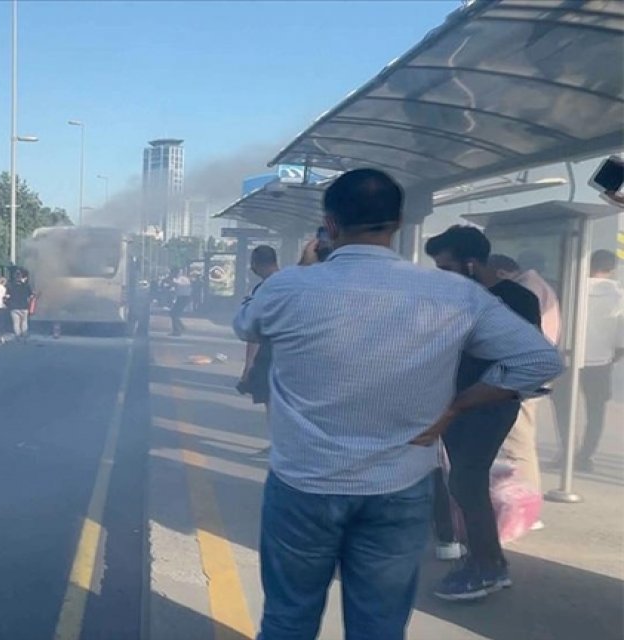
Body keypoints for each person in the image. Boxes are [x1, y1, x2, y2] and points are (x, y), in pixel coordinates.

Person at [234, 170, 560, 638]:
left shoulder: (289, 288)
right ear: (400, 222)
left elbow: (246, 325)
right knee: (380, 625)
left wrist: (306, 267)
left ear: (329, 223)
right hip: (399, 486)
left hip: (303, 484)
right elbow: (538, 359)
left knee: (289, 617)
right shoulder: (456, 294)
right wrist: (461, 403)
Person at [424, 225, 542, 600]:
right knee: (463, 482)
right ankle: (490, 562)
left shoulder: (515, 299)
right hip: (456, 404)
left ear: (471, 265)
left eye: (447, 268)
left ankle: (486, 567)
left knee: (466, 481)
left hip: (489, 404)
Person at [490, 253, 560, 496]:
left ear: (501, 273)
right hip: (533, 371)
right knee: (520, 440)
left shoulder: (525, 290)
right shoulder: (538, 286)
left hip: (522, 374)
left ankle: (526, 505)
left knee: (517, 443)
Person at [563, 249, 622, 472]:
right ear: (613, 269)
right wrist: (614, 355)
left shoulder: (573, 287)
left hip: (569, 358)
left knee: (564, 407)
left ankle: (566, 450)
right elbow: (621, 336)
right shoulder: (619, 295)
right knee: (595, 411)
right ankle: (585, 456)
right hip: (600, 362)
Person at [237, 246, 279, 459]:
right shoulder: (290, 283)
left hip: (270, 352)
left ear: (256, 264)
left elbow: (251, 331)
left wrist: (248, 366)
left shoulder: (263, 289)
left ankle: (277, 446)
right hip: (292, 352)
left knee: (271, 401)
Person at [6, 270, 35, 340]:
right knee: (24, 322)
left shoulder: (10, 286)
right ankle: (24, 334)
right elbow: (31, 296)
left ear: (14, 277)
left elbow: (7, 296)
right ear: (21, 277)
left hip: (14, 307)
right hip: (24, 306)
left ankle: (17, 335)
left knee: (16, 322)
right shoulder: (26, 286)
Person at [168, 268, 191, 337]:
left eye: (172, 273)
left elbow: (175, 284)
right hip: (183, 298)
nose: (171, 274)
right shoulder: (184, 278)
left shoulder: (179, 279)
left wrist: (171, 281)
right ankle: (181, 327)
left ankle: (177, 330)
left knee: (173, 313)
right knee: (174, 313)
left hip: (182, 298)